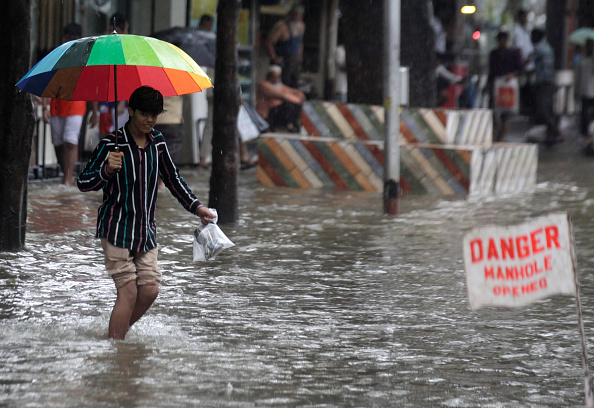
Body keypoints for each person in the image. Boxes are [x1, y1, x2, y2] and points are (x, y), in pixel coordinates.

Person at [77, 86, 215, 340]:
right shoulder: (111, 143)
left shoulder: (158, 142)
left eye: (155, 114)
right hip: (116, 227)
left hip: (145, 230)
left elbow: (173, 179)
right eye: (144, 114)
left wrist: (197, 207)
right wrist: (106, 171)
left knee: (150, 289)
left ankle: (115, 337)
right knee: (128, 292)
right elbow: (84, 182)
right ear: (130, 111)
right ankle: (117, 352)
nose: (150, 120)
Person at [42, 23, 86, 186]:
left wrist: (95, 111)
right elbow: (47, 83)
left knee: (70, 140)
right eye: (68, 38)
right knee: (58, 142)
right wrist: (46, 107)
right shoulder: (56, 56)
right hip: (56, 104)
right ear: (63, 38)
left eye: (74, 39)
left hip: (76, 104)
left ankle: (68, 177)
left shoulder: (84, 58)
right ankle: (66, 173)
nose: (71, 42)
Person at [485, 30, 523, 142]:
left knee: (505, 114)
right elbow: (491, 71)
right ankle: (498, 133)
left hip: (508, 86)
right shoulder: (494, 53)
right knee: (493, 110)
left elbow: (520, 69)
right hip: (496, 85)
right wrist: (488, 84)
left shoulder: (514, 53)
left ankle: (501, 137)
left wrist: (512, 75)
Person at [530, 28, 562, 145]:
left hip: (543, 84)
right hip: (550, 82)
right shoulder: (548, 48)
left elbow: (529, 63)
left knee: (543, 111)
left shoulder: (538, 48)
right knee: (549, 109)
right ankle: (551, 136)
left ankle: (557, 132)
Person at [265, 3, 305, 88]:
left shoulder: (301, 26)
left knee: (295, 83)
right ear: (291, 14)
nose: (298, 17)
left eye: (300, 15)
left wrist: (300, 58)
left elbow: (300, 43)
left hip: (295, 61)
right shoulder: (282, 27)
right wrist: (275, 59)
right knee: (282, 84)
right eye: (296, 14)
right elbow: (269, 42)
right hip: (284, 59)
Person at [256, 65, 306, 133]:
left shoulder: (278, 85)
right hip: (267, 114)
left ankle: (290, 125)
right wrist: (298, 100)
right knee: (289, 104)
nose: (276, 78)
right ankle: (279, 126)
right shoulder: (263, 85)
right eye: (274, 76)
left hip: (276, 111)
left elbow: (291, 91)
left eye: (278, 76)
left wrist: (299, 94)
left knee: (294, 104)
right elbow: (281, 95)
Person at [512, 9, 535, 116]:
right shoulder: (517, 31)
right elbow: (518, 48)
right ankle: (523, 108)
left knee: (530, 87)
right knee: (522, 87)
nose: (524, 19)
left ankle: (529, 108)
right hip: (521, 64)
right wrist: (522, 62)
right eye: (523, 17)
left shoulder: (529, 29)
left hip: (531, 64)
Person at [576, 39, 594, 139]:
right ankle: (585, 133)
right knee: (584, 113)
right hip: (584, 89)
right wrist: (577, 89)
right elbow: (578, 75)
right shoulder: (582, 59)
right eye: (589, 45)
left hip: (592, 89)